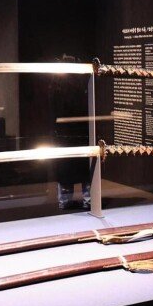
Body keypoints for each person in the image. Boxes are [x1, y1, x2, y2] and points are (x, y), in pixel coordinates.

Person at [49, 54, 91, 210]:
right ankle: (87, 200)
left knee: (67, 168)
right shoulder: (80, 83)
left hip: (66, 131)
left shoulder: (57, 85)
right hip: (77, 130)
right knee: (79, 167)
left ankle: (65, 201)